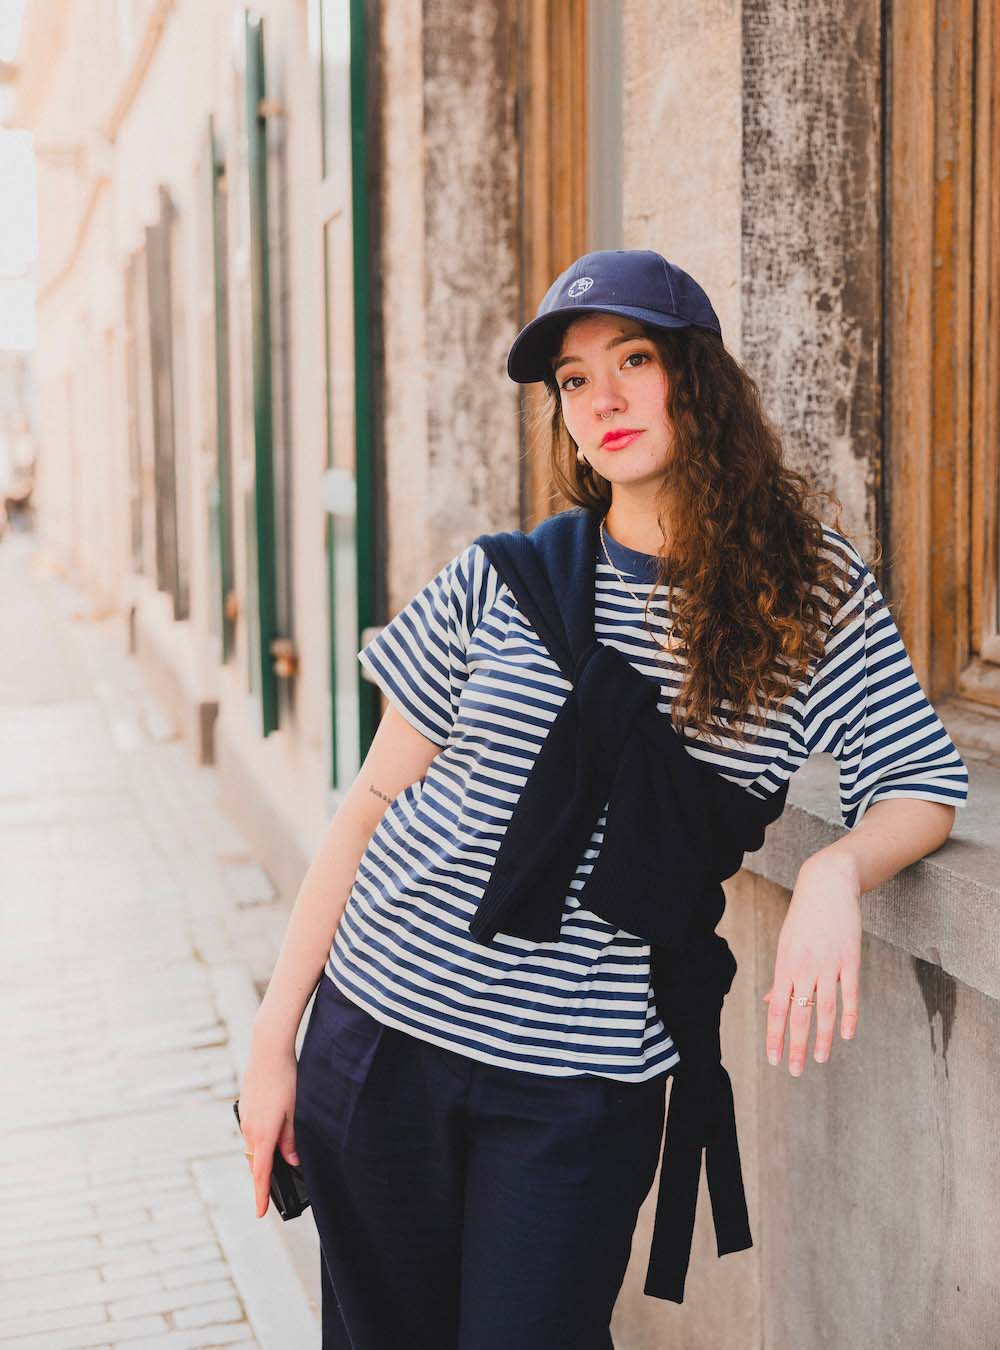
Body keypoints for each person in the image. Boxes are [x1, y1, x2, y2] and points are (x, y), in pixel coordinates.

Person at [236, 249, 969, 1348]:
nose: (602, 400)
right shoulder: (501, 579)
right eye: (574, 380)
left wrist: (835, 869)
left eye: (632, 360)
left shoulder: (808, 591)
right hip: (381, 1034)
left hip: (579, 1083)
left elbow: (921, 784)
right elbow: (369, 807)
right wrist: (272, 1040)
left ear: (697, 377)